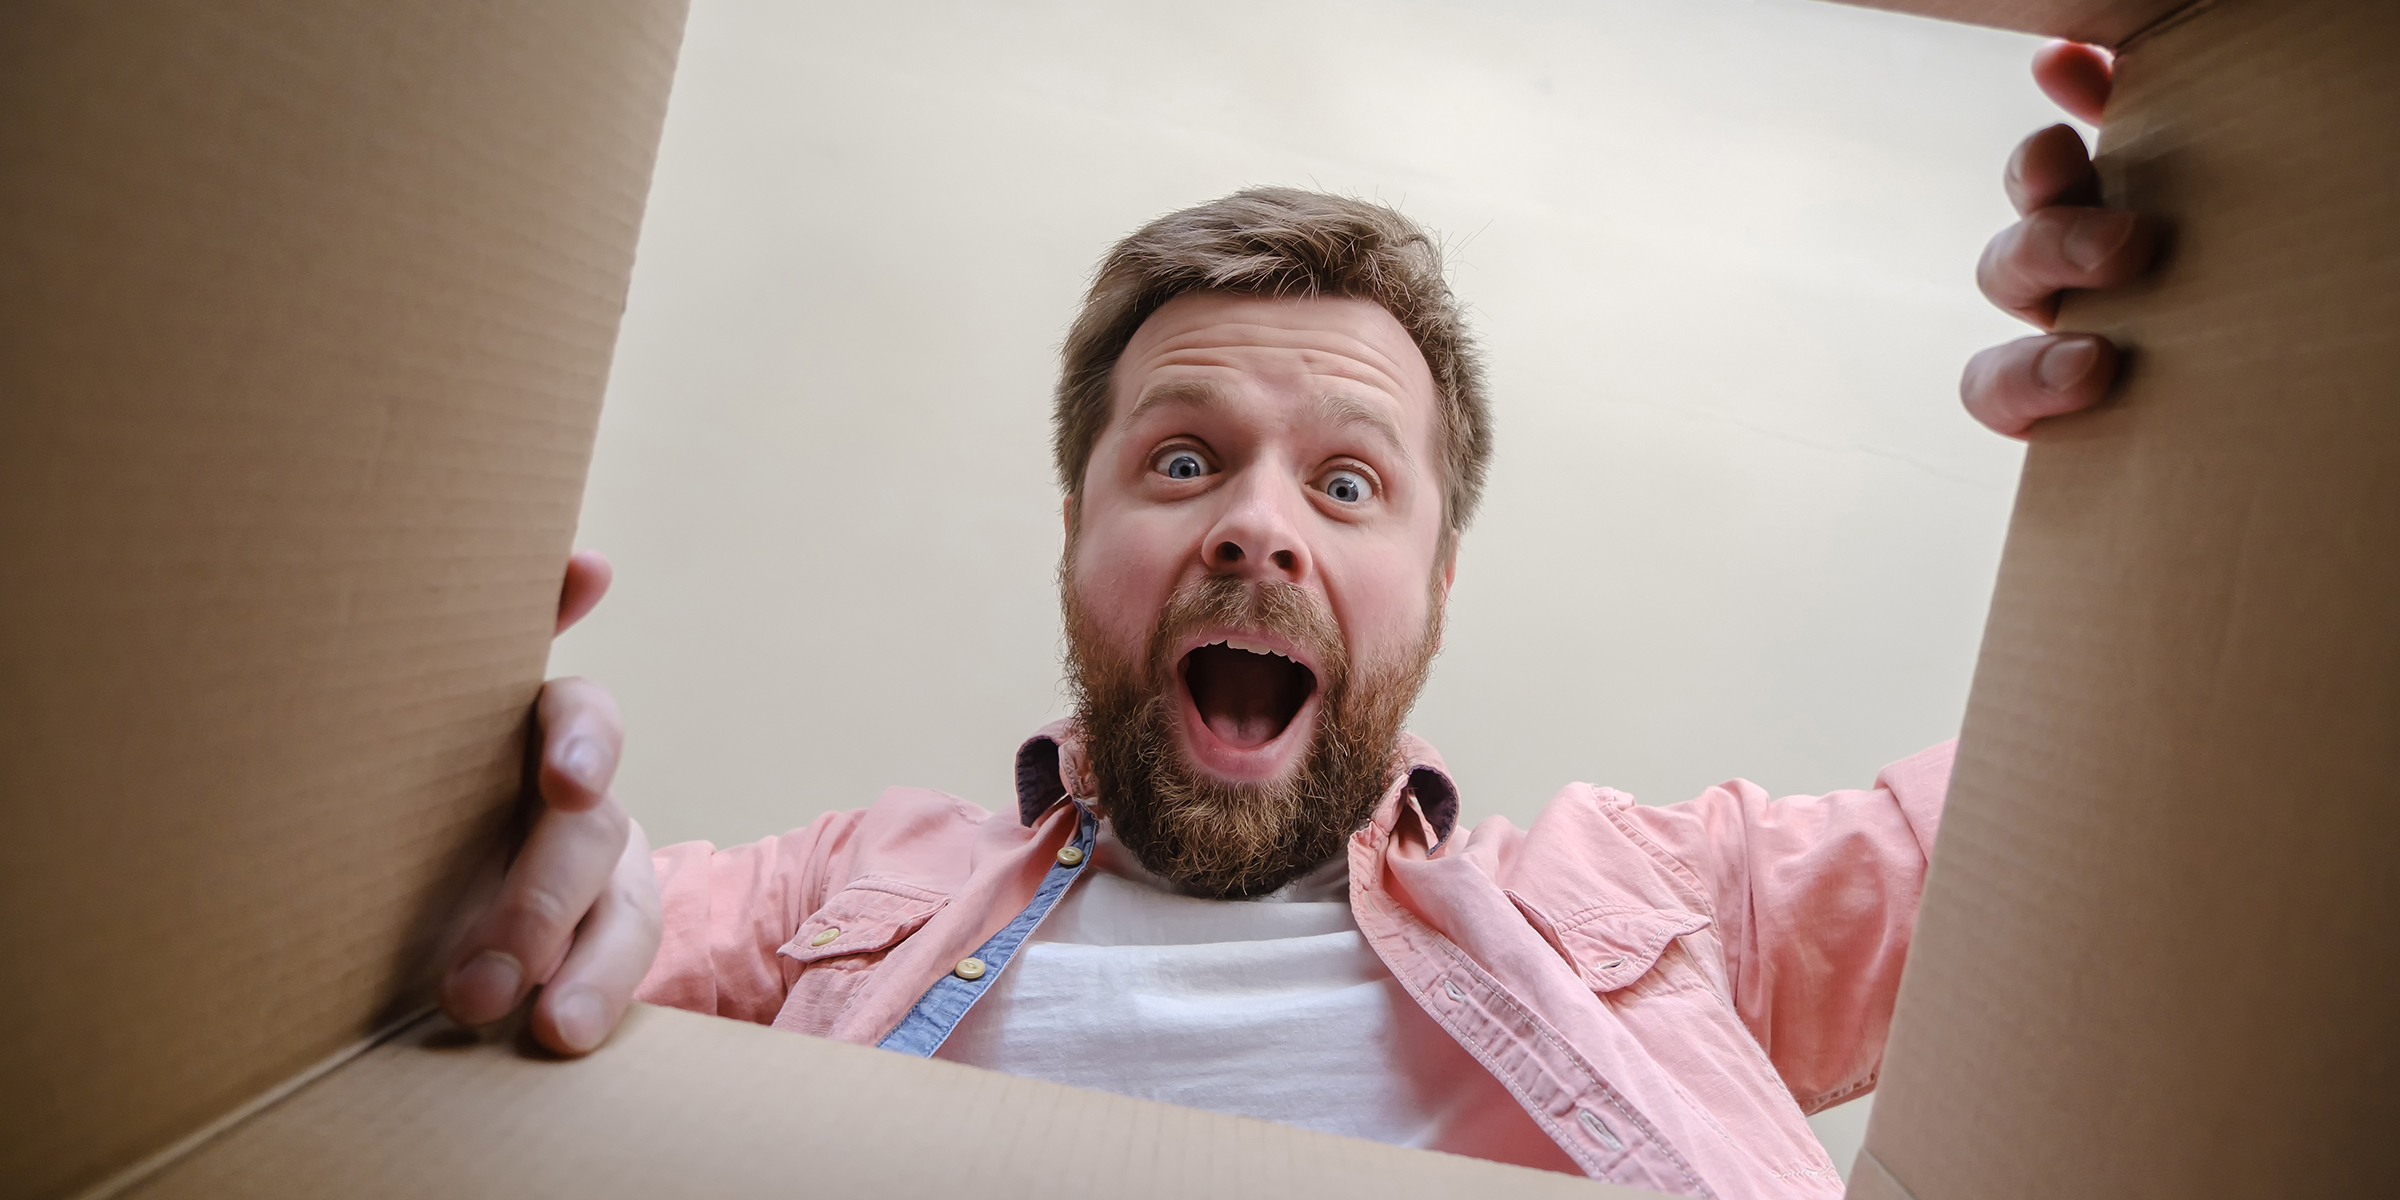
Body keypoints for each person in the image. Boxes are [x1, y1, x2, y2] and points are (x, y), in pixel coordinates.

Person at [439, 42, 2156, 1197]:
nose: (1259, 526)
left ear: (1439, 580)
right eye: (1183, 461)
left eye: (1347, 486)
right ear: (1073, 536)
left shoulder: (1677, 907)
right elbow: (504, 955)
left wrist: (2191, 411)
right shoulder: (827, 903)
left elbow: (2169, 787)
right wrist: (446, 793)